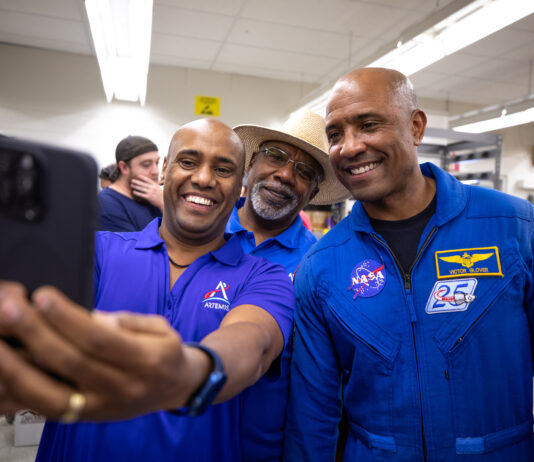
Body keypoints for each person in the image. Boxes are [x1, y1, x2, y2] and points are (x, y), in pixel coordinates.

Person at [0, 118, 295, 462]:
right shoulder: (96, 252)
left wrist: (190, 370)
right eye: (188, 161)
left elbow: (253, 342)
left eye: (224, 169)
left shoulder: (264, 276)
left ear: (241, 187)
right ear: (164, 170)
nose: (203, 178)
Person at [283, 67, 534, 461]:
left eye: (368, 124)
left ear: (416, 127)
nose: (349, 147)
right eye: (335, 134)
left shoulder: (513, 228)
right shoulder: (321, 268)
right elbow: (312, 417)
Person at [228, 110, 350, 461]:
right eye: (276, 156)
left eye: (304, 172)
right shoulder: (203, 237)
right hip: (188, 437)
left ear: (312, 192)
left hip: (267, 449)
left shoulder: (321, 264)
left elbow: (323, 383)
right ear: (251, 162)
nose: (284, 175)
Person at [98, 135, 163, 232]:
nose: (155, 171)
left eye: (157, 163)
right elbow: (134, 246)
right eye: (146, 165)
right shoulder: (106, 203)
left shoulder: (153, 198)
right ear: (124, 167)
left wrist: (163, 204)